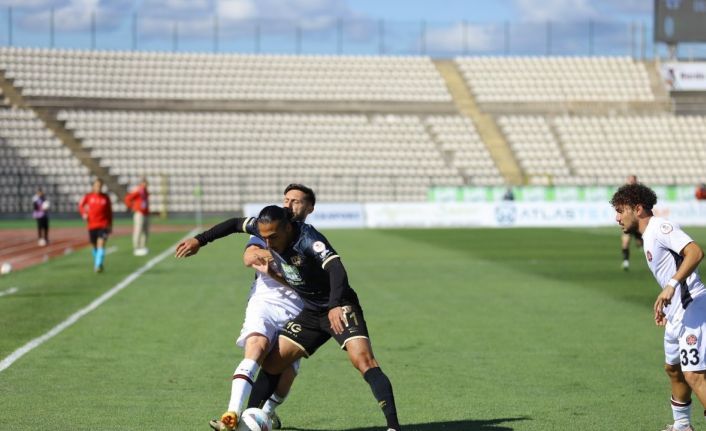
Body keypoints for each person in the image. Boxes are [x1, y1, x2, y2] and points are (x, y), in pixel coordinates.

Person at [176, 205, 402, 431]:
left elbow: (336, 269)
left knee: (363, 361)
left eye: (273, 237)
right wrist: (200, 240)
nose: (268, 243)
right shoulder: (264, 229)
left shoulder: (309, 239)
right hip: (311, 313)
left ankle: (393, 426)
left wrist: (334, 305)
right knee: (272, 363)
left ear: (287, 227)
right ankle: (246, 419)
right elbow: (235, 224)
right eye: (264, 237)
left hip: (340, 305)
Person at [176, 184, 315, 430]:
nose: (288, 204)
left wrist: (280, 260)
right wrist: (200, 240)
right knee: (256, 346)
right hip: (264, 300)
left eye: (295, 201)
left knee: (286, 374)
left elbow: (313, 278)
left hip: (298, 309)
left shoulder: (311, 239)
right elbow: (249, 256)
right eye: (286, 199)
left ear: (310, 207)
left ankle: (266, 413)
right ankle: (231, 413)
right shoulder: (268, 225)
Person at [611, 182, 706, 431]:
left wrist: (672, 286)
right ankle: (683, 425)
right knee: (673, 369)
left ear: (638, 209)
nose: (617, 218)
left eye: (621, 211)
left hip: (692, 307)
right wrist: (666, 301)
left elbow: (695, 252)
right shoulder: (648, 236)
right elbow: (669, 271)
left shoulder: (661, 228)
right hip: (676, 312)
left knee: (695, 375)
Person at [78, 179, 113, 273]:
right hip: (92, 225)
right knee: (94, 246)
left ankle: (97, 265)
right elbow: (80, 206)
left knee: (101, 244)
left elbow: (109, 212)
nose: (98, 187)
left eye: (100, 186)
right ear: (93, 186)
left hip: (103, 225)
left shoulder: (105, 198)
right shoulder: (88, 196)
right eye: (97, 185)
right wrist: (83, 213)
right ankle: (98, 262)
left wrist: (110, 225)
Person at [621, 174, 643, 270]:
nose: (631, 182)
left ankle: (641, 245)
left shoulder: (639, 192)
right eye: (629, 180)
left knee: (639, 243)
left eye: (632, 180)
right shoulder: (623, 192)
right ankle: (626, 262)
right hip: (628, 220)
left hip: (637, 220)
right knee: (625, 241)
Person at [124, 177, 150, 256]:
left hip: (145, 213)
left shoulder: (145, 192)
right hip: (139, 213)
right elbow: (127, 198)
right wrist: (132, 207)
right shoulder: (138, 191)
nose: (145, 185)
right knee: (138, 230)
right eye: (144, 183)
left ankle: (143, 246)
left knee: (145, 231)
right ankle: (136, 247)